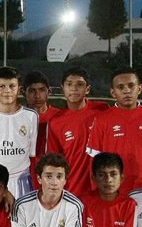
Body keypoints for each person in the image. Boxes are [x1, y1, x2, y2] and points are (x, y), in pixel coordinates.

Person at [86, 68, 142, 196]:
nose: (127, 91)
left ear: (139, 88)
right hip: (114, 192)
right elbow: (95, 161)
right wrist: (98, 192)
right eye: (121, 87)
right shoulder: (101, 119)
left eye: (131, 86)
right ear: (113, 92)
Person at [45, 66, 109, 198]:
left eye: (79, 84)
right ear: (62, 88)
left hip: (103, 187)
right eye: (69, 84)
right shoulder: (56, 122)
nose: (74, 88)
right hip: (73, 189)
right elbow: (55, 161)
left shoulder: (103, 110)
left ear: (87, 89)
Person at [0, 66, 39, 198]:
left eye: (12, 86)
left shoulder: (32, 116)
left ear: (19, 89)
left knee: (21, 212)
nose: (7, 91)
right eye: (2, 86)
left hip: (21, 181)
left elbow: (31, 152)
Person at [22, 70, 60, 179]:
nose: (37, 96)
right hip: (23, 175)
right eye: (32, 91)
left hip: (51, 176)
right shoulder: (16, 118)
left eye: (42, 90)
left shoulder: (60, 117)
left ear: (49, 91)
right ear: (23, 92)